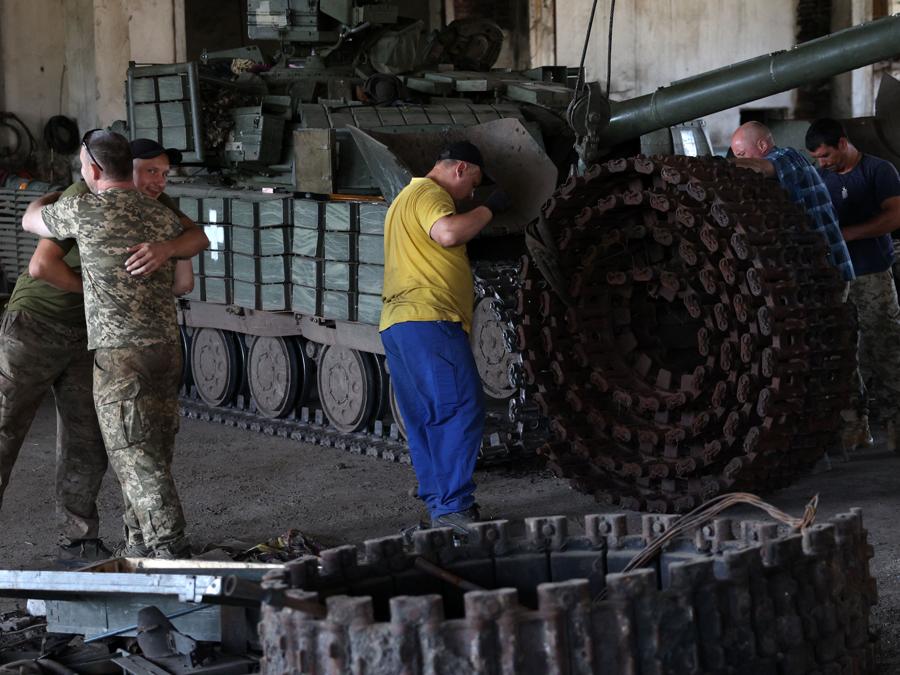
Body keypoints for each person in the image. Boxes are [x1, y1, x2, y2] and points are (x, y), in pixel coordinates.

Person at [22, 130, 207, 558]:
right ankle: (138, 545)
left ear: (93, 169)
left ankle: (169, 549)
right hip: (165, 347)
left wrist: (51, 197)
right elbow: (187, 270)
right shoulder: (161, 215)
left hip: (121, 356)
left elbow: (30, 220)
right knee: (153, 448)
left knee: (135, 456)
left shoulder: (84, 210)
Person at [379, 140, 509, 535]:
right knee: (460, 409)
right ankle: (453, 507)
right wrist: (490, 209)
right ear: (460, 169)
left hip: (399, 324)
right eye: (474, 183)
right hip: (430, 320)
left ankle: (441, 505)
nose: (471, 194)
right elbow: (448, 233)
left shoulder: (403, 200)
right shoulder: (430, 194)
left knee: (426, 417)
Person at [805, 118, 900, 452]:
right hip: (837, 279)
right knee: (844, 351)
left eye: (826, 155)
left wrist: (847, 234)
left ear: (843, 143)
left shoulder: (878, 171)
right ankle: (855, 425)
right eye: (817, 158)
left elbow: (896, 216)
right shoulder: (820, 176)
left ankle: (895, 423)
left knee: (886, 346)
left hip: (872, 273)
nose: (822, 163)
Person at [730, 121, 855, 282]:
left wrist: (721, 164)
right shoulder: (767, 179)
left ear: (762, 145)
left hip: (830, 266)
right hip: (810, 268)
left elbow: (761, 167)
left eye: (741, 154)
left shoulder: (789, 157)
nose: (740, 160)